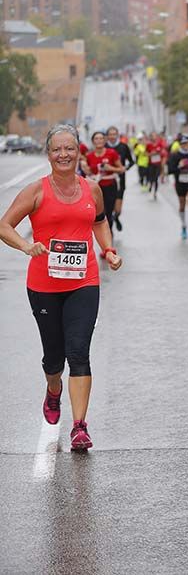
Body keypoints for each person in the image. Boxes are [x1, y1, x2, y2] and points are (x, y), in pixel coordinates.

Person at [0, 125, 123, 451]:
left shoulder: (92, 189)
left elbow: (99, 221)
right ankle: (53, 390)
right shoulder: (36, 191)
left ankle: (80, 426)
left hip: (84, 282)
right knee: (54, 358)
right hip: (44, 285)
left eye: (70, 148)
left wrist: (108, 249)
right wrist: (27, 248)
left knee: (79, 352)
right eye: (57, 149)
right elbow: (4, 226)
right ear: (49, 153)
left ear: (79, 151)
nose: (64, 154)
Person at [84, 131, 124, 237]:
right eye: (96, 139)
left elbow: (121, 169)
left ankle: (109, 234)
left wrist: (111, 168)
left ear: (105, 140)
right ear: (93, 141)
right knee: (98, 214)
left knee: (108, 212)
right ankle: (103, 234)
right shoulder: (89, 156)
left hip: (110, 185)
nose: (99, 141)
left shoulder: (111, 153)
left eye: (101, 138)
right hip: (96, 188)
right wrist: (85, 168)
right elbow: (88, 172)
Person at [167, 135, 188, 241]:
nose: (185, 145)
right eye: (183, 144)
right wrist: (179, 166)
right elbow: (170, 170)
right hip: (180, 183)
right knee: (182, 205)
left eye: (187, 143)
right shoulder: (175, 155)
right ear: (180, 144)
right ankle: (184, 226)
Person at [105, 126, 134, 231]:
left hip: (119, 180)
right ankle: (110, 228)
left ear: (117, 135)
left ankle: (116, 217)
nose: (112, 136)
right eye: (110, 134)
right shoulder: (104, 147)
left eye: (114, 134)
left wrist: (125, 168)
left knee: (117, 209)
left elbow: (131, 161)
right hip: (106, 180)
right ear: (107, 136)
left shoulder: (123, 147)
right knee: (108, 208)